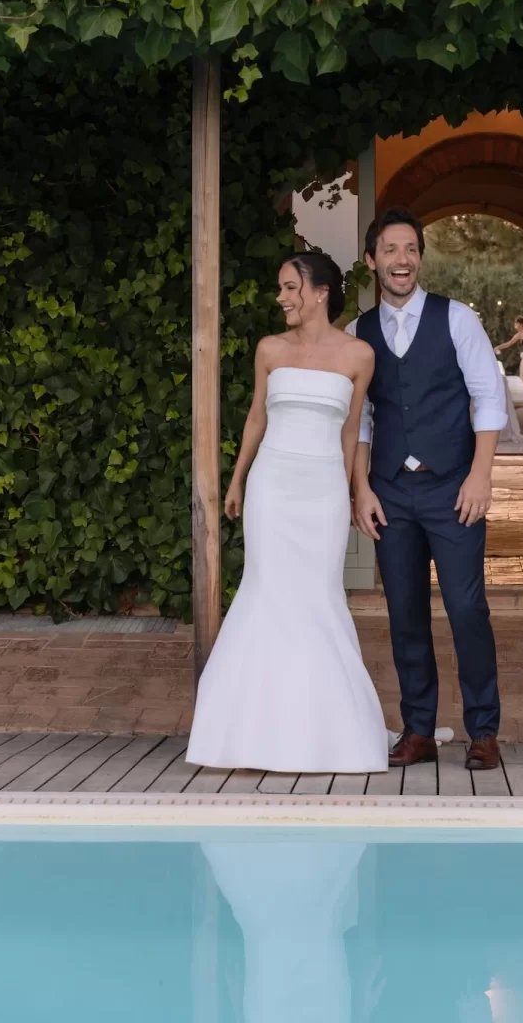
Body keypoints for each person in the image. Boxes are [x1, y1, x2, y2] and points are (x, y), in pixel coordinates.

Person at [185, 250, 388, 773]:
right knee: (266, 592)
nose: (281, 298)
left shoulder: (359, 355)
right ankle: (250, 733)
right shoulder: (269, 349)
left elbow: (353, 430)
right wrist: (236, 479)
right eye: (280, 288)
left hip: (321, 488)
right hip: (271, 487)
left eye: (290, 287)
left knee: (317, 598)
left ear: (320, 292)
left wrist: (350, 490)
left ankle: (326, 733)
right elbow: (257, 416)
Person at [348, 207, 508, 771]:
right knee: (405, 612)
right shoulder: (357, 334)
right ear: (372, 261)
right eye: (390, 250)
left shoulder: (457, 319)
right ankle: (418, 729)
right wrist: (360, 489)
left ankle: (483, 730)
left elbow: (489, 397)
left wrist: (481, 474)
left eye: (411, 249)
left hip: (452, 489)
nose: (402, 260)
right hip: (390, 493)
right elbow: (362, 419)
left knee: (467, 608)